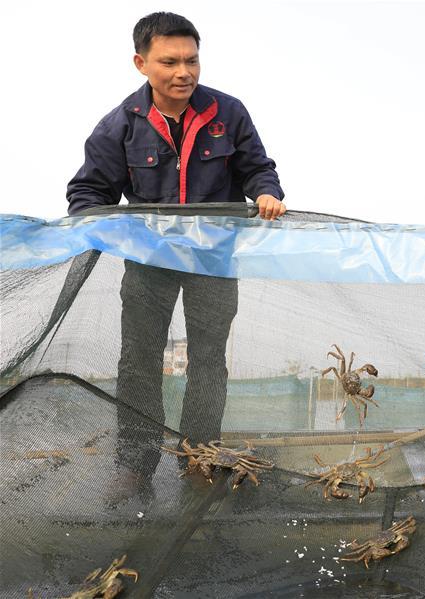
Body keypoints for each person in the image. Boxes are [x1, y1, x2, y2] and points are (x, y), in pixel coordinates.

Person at [66, 12, 286, 502]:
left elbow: (258, 168)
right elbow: (87, 190)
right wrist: (92, 224)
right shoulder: (121, 124)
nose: (184, 72)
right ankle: (135, 467)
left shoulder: (227, 113)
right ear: (142, 63)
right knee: (138, 362)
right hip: (149, 261)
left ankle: (199, 459)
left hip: (213, 259)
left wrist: (266, 192)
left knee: (208, 360)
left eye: (191, 60)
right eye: (170, 62)